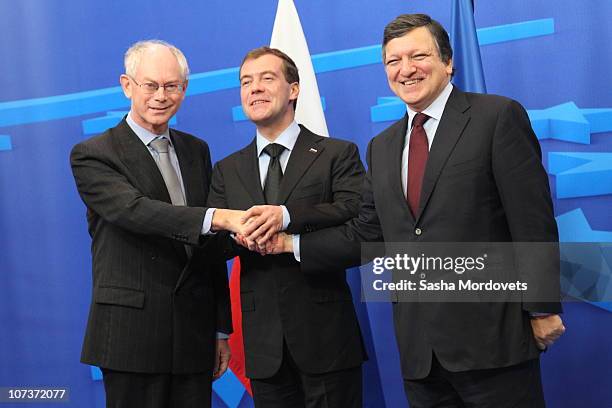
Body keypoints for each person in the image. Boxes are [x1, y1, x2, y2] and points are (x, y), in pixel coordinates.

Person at [250, 14, 566, 408]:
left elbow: (531, 218)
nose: (406, 69)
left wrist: (542, 307)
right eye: (393, 61)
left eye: (418, 55)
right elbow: (368, 235)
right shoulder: (381, 147)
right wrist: (289, 245)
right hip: (421, 355)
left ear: (448, 62)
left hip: (494, 342)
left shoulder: (496, 117)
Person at [70, 40, 239, 408]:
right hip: (133, 337)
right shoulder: (94, 154)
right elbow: (136, 211)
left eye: (171, 86)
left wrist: (220, 329)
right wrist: (220, 217)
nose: (161, 96)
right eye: (150, 85)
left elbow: (206, 249)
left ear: (184, 89)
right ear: (127, 85)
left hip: (195, 336)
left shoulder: (197, 150)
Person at [207, 47, 367, 407]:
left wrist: (287, 220)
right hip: (263, 349)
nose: (255, 89)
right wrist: (239, 235)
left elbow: (358, 216)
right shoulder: (227, 170)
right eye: (246, 82)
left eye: (267, 78)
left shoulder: (336, 154)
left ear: (293, 89)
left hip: (327, 341)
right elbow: (213, 250)